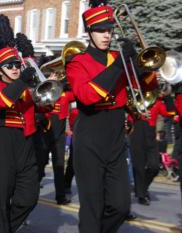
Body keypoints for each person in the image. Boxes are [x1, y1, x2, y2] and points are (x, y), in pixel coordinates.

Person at [65, 1, 157, 232]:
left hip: (116, 139)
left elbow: (147, 88)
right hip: (89, 139)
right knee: (92, 208)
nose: (106, 35)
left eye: (109, 30)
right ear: (89, 32)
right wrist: (118, 66)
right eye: (100, 30)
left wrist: (142, 65)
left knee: (120, 205)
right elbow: (86, 96)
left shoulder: (118, 57)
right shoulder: (78, 62)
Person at [0, 14, 39, 233]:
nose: (15, 68)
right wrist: (23, 82)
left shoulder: (24, 88)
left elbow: (43, 104)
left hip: (25, 144)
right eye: (9, 65)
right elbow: (1, 102)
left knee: (29, 198)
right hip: (2, 144)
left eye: (16, 64)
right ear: (0, 70)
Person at [129, 91, 173, 205]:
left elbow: (169, 113)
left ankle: (142, 188)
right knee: (139, 167)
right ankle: (141, 195)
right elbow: (129, 117)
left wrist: (168, 97)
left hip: (150, 134)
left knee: (154, 167)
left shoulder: (157, 102)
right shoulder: (135, 100)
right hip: (137, 133)